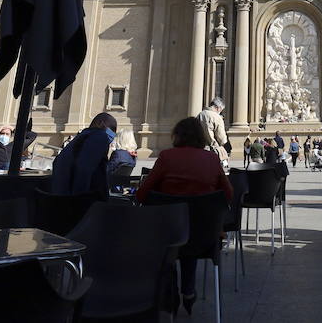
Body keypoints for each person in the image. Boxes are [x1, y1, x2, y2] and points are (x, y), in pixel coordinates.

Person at [135, 117, 233, 314]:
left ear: (177, 135)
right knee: (191, 231)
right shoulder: (212, 159)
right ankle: (188, 292)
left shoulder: (167, 157)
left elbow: (142, 194)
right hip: (204, 238)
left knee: (176, 234)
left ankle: (170, 292)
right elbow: (228, 194)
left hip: (167, 236)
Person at [52, 112, 117, 198]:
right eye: (112, 128)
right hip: (80, 202)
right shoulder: (100, 136)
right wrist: (79, 200)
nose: (113, 134)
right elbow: (84, 169)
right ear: (100, 123)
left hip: (59, 196)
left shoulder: (80, 137)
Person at [196, 97, 230, 170]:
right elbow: (222, 138)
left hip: (199, 149)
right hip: (213, 150)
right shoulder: (217, 117)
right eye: (221, 110)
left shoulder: (200, 115)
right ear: (218, 108)